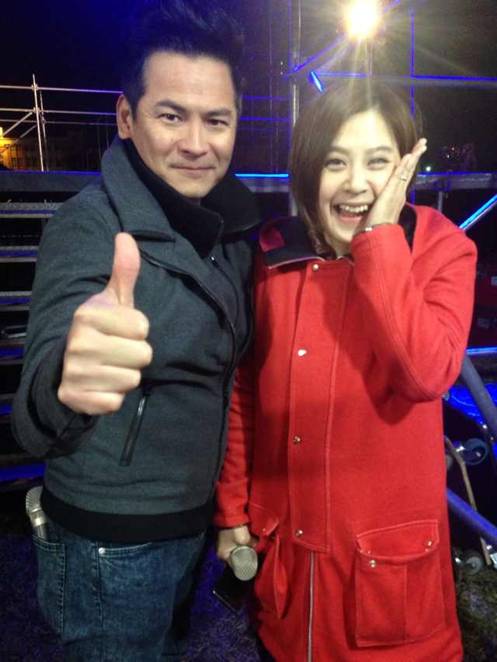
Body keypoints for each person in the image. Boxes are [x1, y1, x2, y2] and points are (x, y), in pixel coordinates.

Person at [12, 1, 259, 659]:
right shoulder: (90, 225)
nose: (197, 143)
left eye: (216, 120)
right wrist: (66, 378)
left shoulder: (229, 230)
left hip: (190, 523)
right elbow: (34, 413)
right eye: (171, 116)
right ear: (126, 118)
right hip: (108, 541)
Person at [216, 80, 477, 661]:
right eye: (335, 162)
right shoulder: (273, 255)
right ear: (308, 170)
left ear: (405, 168)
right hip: (289, 572)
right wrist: (232, 510)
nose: (356, 183)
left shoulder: (442, 250)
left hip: (386, 584)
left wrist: (378, 241)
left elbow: (425, 373)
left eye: (378, 162)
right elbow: (245, 392)